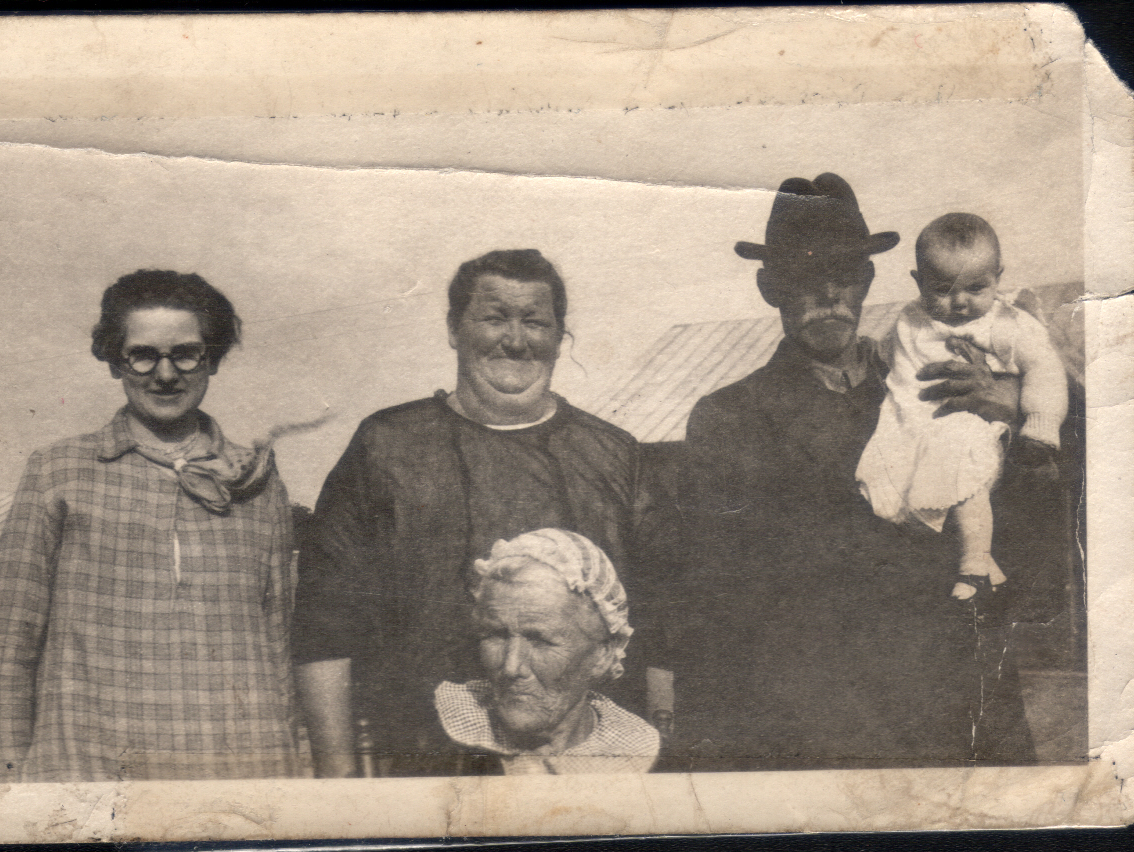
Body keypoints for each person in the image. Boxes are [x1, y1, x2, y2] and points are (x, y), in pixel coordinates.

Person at [659, 174, 1035, 769]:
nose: (829, 294)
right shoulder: (730, 419)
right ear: (769, 288)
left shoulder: (935, 384)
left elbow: (1020, 521)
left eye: (844, 273)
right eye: (802, 276)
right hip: (817, 725)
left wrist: (1012, 408)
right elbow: (717, 606)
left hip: (942, 705)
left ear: (868, 280)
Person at [293, 249, 666, 777]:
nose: (514, 340)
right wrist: (338, 778)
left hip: (589, 769)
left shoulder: (615, 455)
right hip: (427, 765)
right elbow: (325, 627)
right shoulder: (387, 447)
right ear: (454, 329)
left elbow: (663, 620)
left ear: (560, 336)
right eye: (494, 318)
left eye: (534, 321)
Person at [0, 269, 299, 782]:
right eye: (143, 355)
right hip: (90, 772)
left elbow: (279, 648)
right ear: (114, 361)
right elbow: (7, 655)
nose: (165, 374)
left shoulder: (257, 480)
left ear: (213, 359)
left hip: (235, 771)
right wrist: (10, 786)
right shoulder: (58, 471)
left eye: (186, 354)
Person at [855, 213, 1068, 600]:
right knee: (885, 481)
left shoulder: (1006, 323)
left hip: (974, 427)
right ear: (918, 282)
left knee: (959, 460)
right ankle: (989, 572)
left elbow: (1045, 369)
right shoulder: (909, 321)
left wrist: (1040, 423)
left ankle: (974, 564)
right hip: (909, 427)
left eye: (976, 288)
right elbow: (886, 360)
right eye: (942, 289)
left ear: (997, 278)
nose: (960, 302)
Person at [433, 529, 660, 775]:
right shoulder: (433, 743)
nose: (511, 667)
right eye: (497, 635)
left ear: (602, 656)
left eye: (539, 640)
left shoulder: (647, 764)